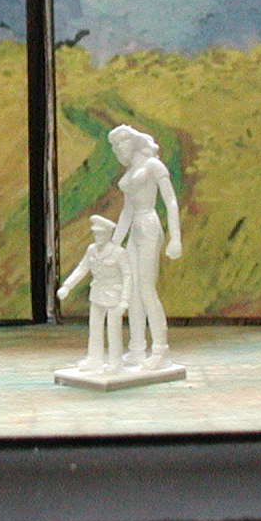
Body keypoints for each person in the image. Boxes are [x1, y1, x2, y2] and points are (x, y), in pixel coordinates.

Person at [108, 124, 183, 365]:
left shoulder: (153, 165)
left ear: (133, 141)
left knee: (147, 289)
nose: (119, 147)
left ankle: (160, 349)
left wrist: (175, 238)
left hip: (149, 225)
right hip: (135, 230)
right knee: (133, 292)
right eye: (116, 144)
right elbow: (127, 211)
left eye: (122, 141)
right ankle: (137, 348)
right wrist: (114, 243)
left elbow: (171, 202)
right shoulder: (131, 172)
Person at [57, 214, 133, 375]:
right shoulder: (91, 250)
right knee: (95, 328)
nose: (98, 237)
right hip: (97, 294)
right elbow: (82, 268)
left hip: (114, 295)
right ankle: (94, 359)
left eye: (101, 234)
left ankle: (115, 362)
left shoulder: (119, 252)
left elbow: (128, 275)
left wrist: (125, 300)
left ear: (108, 234)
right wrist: (67, 286)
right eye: (96, 234)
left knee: (113, 330)